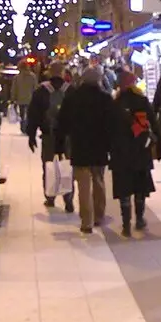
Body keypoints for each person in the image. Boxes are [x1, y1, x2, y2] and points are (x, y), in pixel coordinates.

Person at [54, 67, 114, 233]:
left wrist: (59, 144)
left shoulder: (73, 98)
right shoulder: (105, 98)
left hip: (79, 145)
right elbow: (112, 125)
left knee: (83, 183)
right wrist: (112, 146)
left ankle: (86, 221)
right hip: (100, 146)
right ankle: (99, 216)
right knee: (99, 180)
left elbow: (62, 122)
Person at [111, 72, 161, 235]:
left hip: (120, 152)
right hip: (141, 150)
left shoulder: (115, 103)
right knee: (140, 186)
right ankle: (139, 219)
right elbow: (153, 123)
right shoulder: (142, 101)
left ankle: (126, 225)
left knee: (124, 188)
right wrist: (158, 142)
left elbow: (107, 128)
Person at [26, 63, 75, 212]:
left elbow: (33, 114)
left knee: (48, 166)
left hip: (49, 134)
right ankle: (68, 199)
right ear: (62, 72)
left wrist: (31, 134)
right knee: (67, 166)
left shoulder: (41, 91)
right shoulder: (71, 90)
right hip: (67, 137)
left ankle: (50, 197)